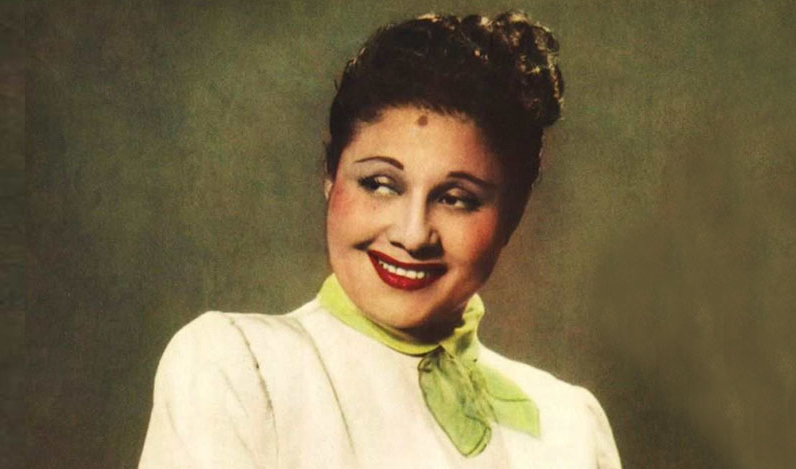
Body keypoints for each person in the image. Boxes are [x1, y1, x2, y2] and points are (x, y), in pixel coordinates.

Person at [139, 11, 622, 468]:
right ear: (331, 178)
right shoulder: (238, 365)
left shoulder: (570, 425)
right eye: (381, 184)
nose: (412, 235)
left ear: (511, 217)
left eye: (455, 198)